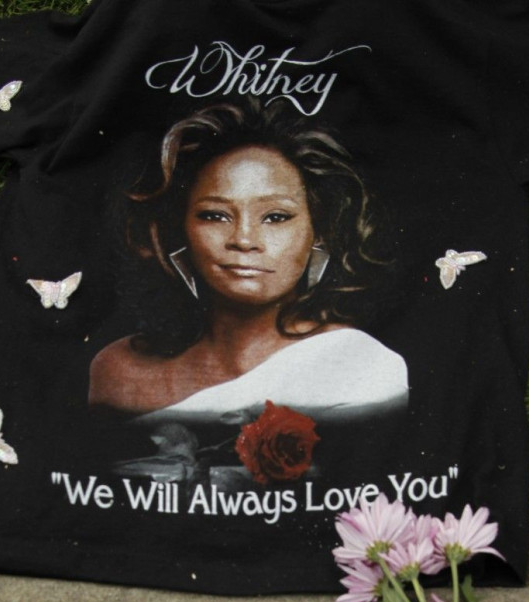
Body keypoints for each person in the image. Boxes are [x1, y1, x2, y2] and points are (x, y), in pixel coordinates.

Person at [89, 100, 408, 422]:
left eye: (275, 217)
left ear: (320, 231)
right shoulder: (119, 371)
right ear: (180, 228)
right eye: (215, 215)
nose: (243, 240)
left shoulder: (363, 367)